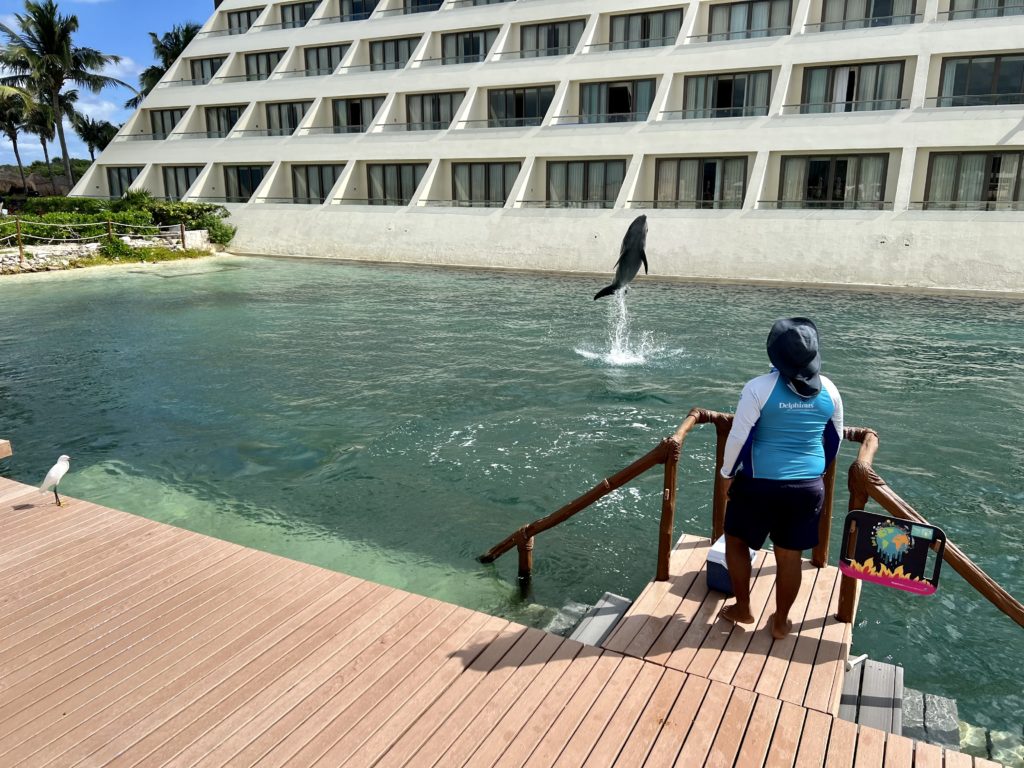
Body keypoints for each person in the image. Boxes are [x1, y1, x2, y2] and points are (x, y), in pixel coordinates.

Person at [718, 317, 844, 639]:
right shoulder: (830, 390)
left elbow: (738, 437)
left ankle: (742, 608)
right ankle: (780, 622)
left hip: (758, 485)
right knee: (790, 556)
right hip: (807, 488)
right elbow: (835, 440)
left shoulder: (758, 388)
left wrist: (727, 475)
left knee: (736, 540)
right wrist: (816, 471)